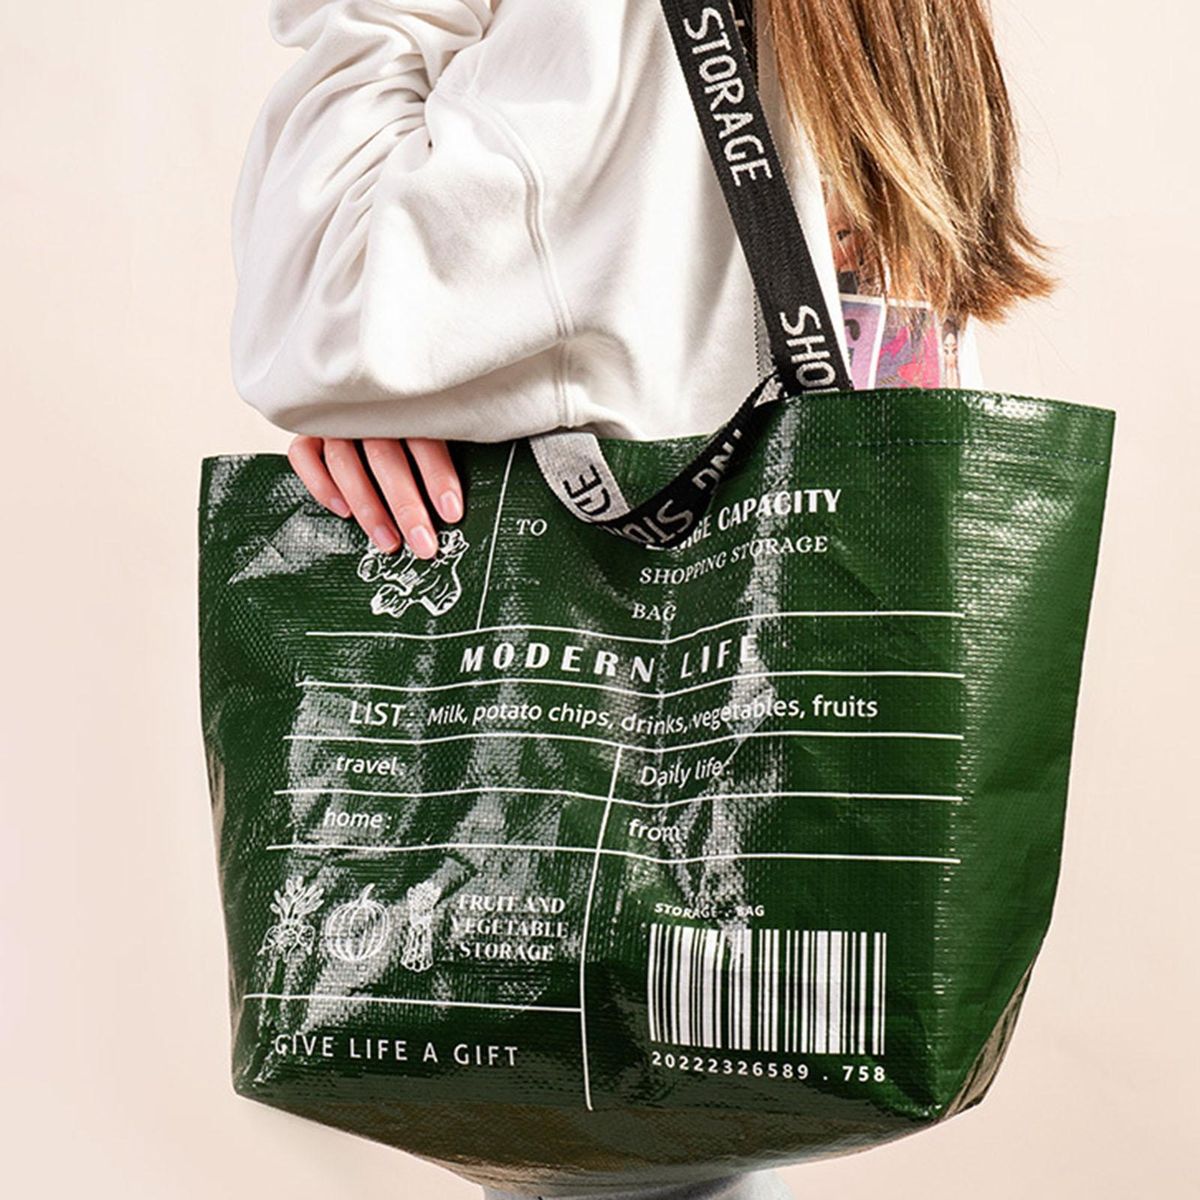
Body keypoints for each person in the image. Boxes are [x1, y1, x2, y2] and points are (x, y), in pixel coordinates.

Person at [228, 2, 1054, 1196]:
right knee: (701, 1127)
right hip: (753, 784)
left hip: (603, 806)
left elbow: (340, 311)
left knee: (637, 1132)